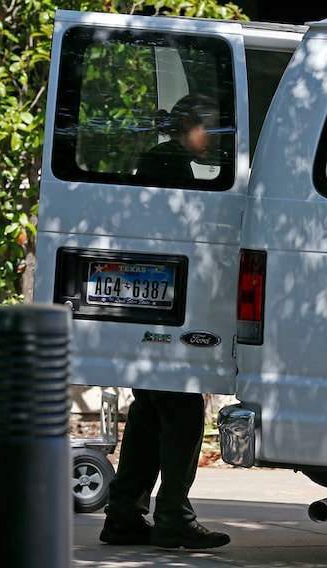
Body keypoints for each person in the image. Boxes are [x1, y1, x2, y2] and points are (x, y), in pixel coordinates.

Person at [99, 93, 230, 549]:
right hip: (168, 308)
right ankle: (173, 515)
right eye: (210, 128)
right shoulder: (170, 164)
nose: (215, 139)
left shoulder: (163, 159)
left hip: (155, 306)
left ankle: (123, 515)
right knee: (181, 409)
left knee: (149, 413)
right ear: (189, 126)